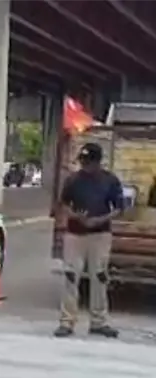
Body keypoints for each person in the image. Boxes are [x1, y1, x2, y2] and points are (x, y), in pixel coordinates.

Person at [54, 142, 124, 338]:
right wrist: (76, 216)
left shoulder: (110, 181)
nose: (85, 166)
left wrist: (99, 220)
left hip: (100, 234)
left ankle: (98, 321)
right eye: (83, 161)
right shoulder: (73, 180)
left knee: (100, 277)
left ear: (97, 162)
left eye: (89, 162)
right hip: (75, 234)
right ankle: (67, 322)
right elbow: (63, 204)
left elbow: (118, 208)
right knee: (70, 276)